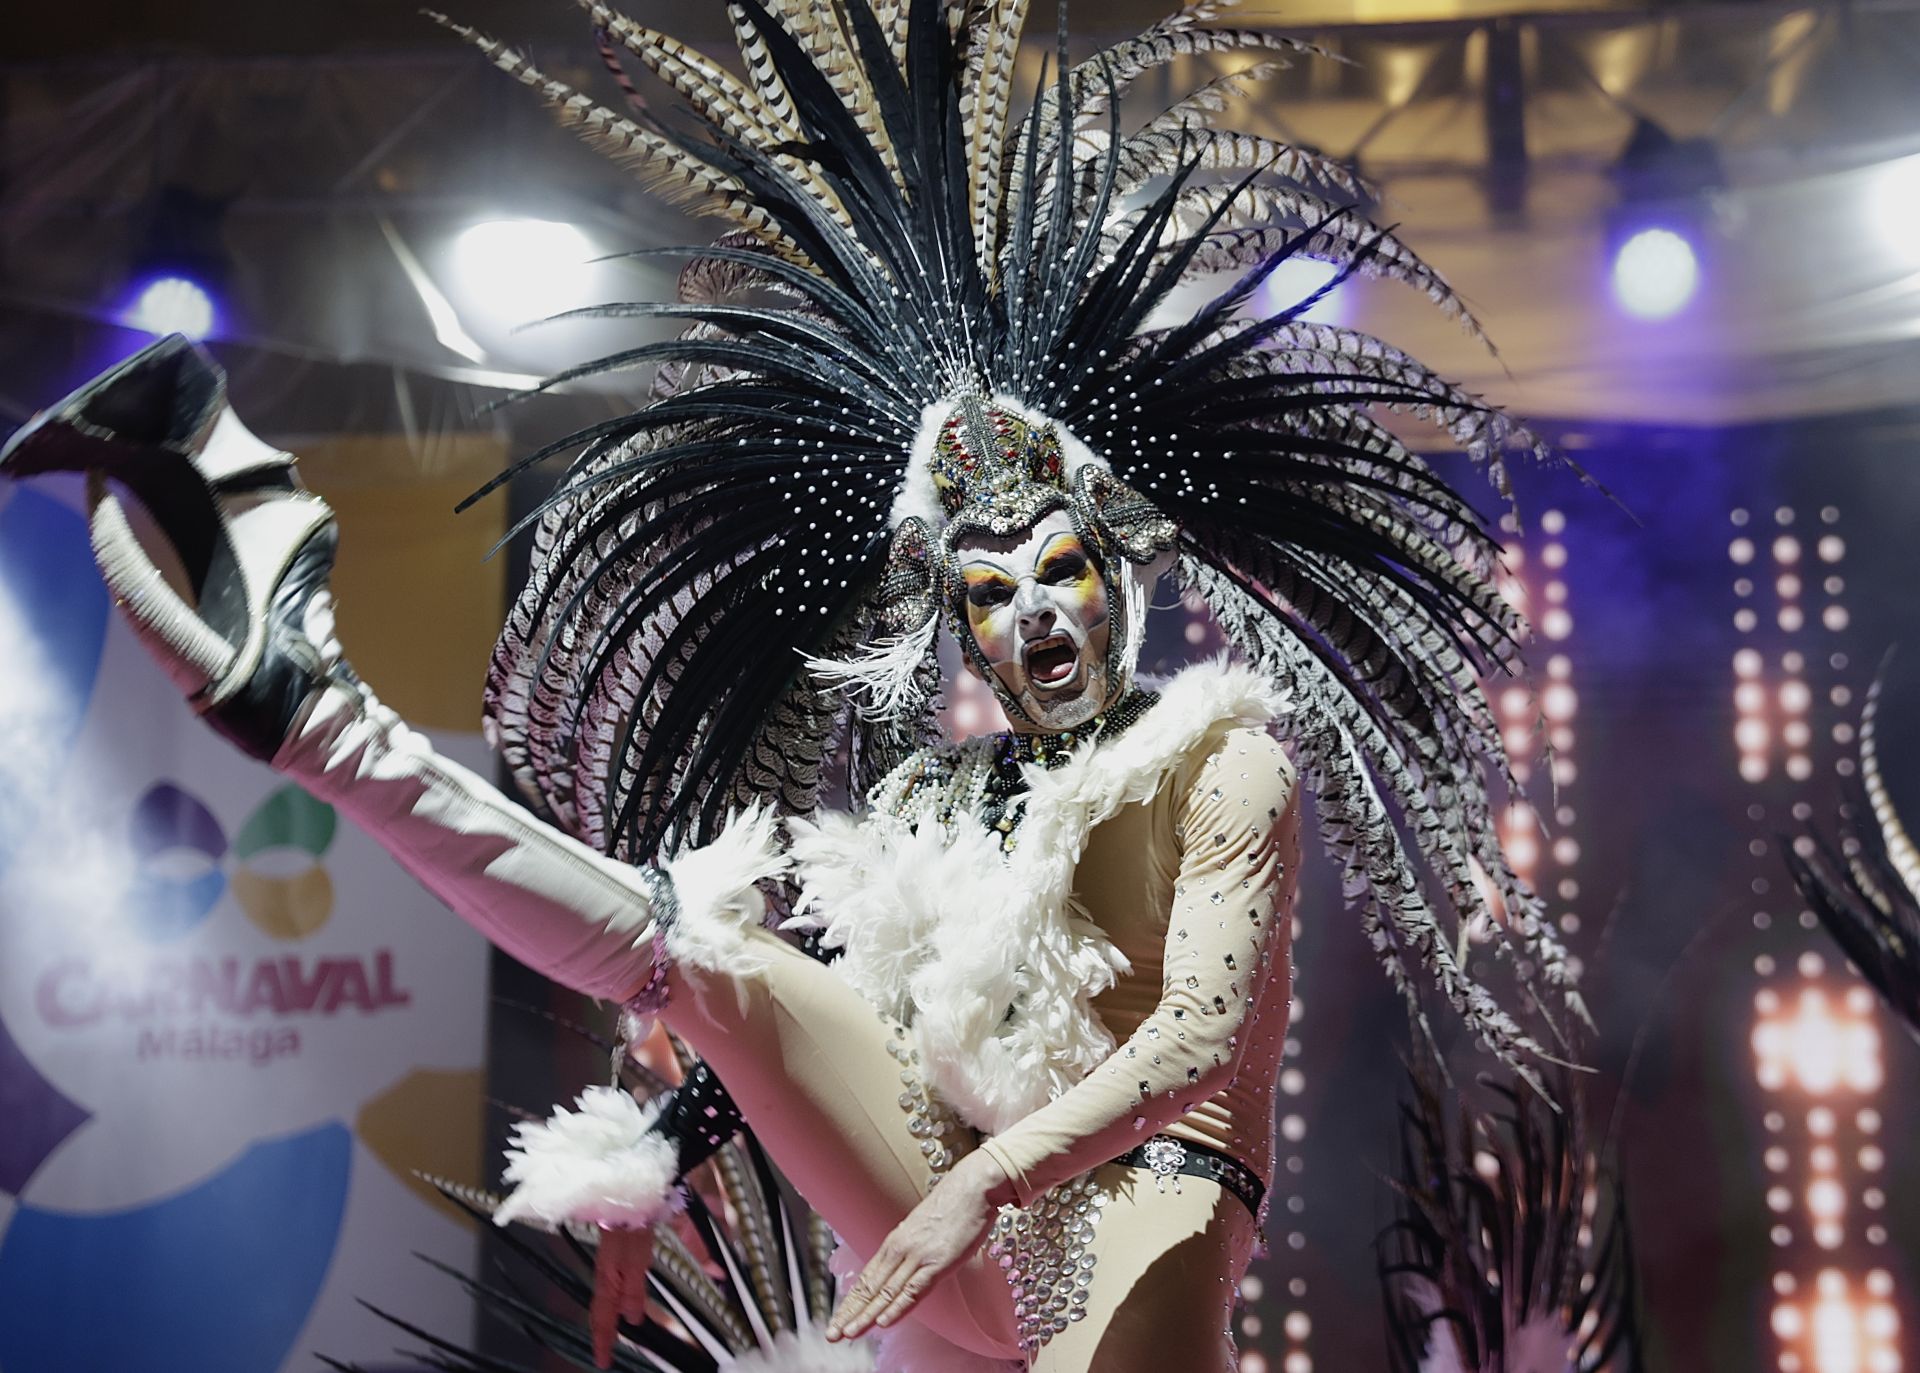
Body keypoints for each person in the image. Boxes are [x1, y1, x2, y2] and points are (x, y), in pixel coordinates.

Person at [0, 2, 1584, 1369]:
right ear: (959, 628)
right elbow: (842, 1035)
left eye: (1059, 568)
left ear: (1121, 566)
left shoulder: (1219, 757)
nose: (1035, 610)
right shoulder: (939, 806)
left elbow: (1191, 1043)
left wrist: (979, 1185)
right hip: (950, 1234)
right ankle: (315, 699)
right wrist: (665, 1153)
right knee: (700, 945)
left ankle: (297, 645)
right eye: (993, 590)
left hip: (1132, 1213)